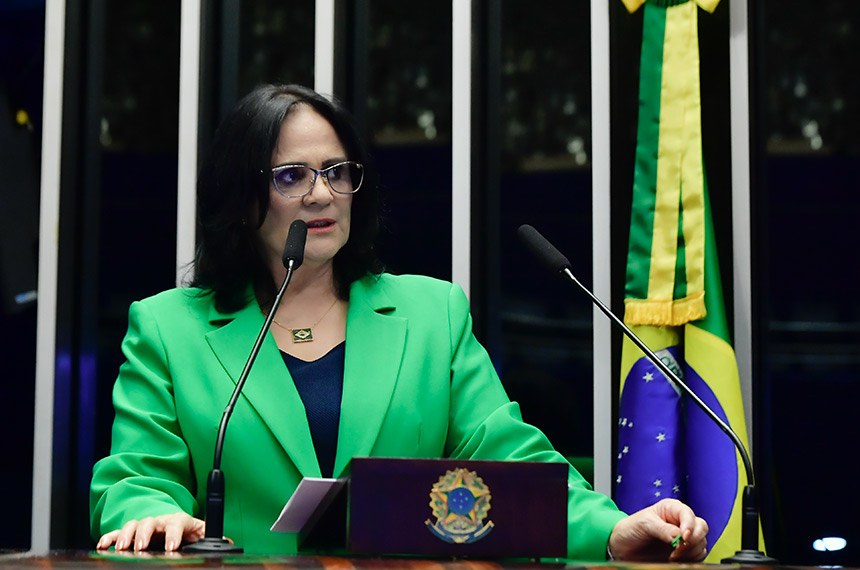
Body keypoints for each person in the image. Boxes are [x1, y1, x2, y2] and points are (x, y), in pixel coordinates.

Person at [89, 83, 708, 561]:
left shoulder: (431, 316)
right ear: (240, 197)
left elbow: (510, 461)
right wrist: (150, 513)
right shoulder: (169, 328)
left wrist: (612, 530)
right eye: (291, 176)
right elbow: (136, 477)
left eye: (336, 171)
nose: (321, 194)